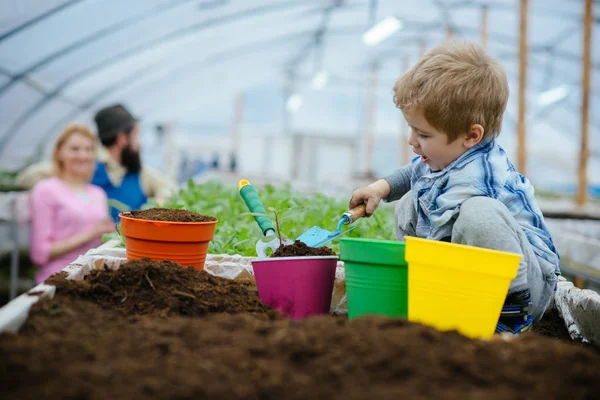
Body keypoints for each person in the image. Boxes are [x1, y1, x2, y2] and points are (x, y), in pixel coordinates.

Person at [349, 40, 560, 334]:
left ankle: (509, 325)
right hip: (476, 275)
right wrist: (381, 188)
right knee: (410, 202)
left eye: (422, 133)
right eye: (411, 129)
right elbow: (415, 171)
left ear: (471, 136)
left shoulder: (476, 176)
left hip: (524, 287)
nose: (412, 141)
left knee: (478, 215)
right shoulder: (447, 155)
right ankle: (427, 293)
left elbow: (438, 232)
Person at [16, 104, 176, 221]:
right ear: (122, 139)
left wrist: (159, 202)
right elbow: (26, 178)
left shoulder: (141, 173)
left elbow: (172, 191)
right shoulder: (85, 164)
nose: (139, 144)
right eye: (135, 136)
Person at [29, 124, 114, 284]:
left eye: (89, 149)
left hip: (93, 279)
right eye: (75, 149)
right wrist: (90, 233)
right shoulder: (46, 190)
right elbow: (40, 254)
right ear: (59, 152)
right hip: (59, 280)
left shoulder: (98, 193)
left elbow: (100, 240)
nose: (83, 155)